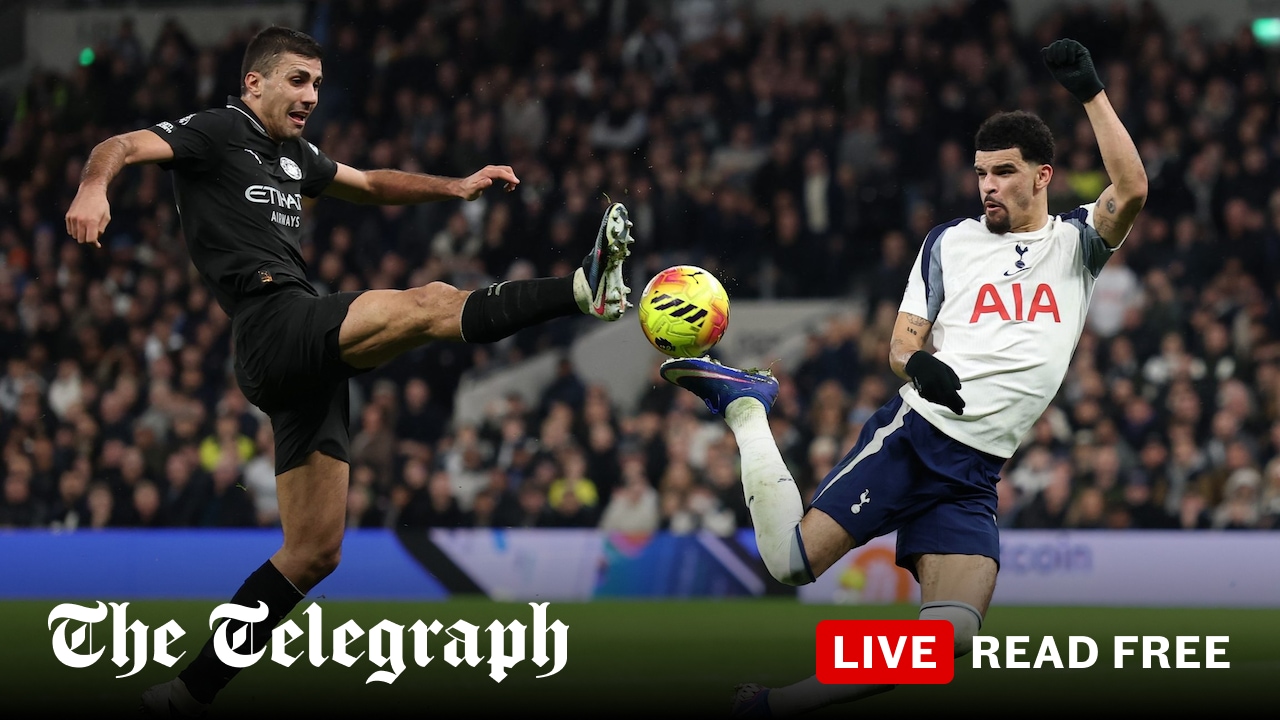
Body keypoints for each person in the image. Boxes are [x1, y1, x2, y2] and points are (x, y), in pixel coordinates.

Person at [63, 26, 635, 717]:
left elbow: (367, 184)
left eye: (317, 85)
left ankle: (186, 692)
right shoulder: (217, 131)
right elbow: (119, 146)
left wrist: (454, 187)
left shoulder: (294, 155)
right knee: (430, 302)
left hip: (300, 356)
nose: (310, 96)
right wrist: (95, 188)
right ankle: (581, 290)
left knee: (312, 553)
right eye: (297, 80)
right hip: (271, 325)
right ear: (255, 83)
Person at [660, 39, 1147, 717]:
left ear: (1043, 177)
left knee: (948, 643)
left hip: (976, 471)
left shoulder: (1076, 244)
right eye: (980, 173)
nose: (987, 187)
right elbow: (899, 344)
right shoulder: (950, 242)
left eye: (1004, 173)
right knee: (791, 563)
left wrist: (1092, 94)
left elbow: (1132, 189)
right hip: (916, 437)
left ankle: (771, 706)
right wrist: (921, 366)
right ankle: (746, 408)